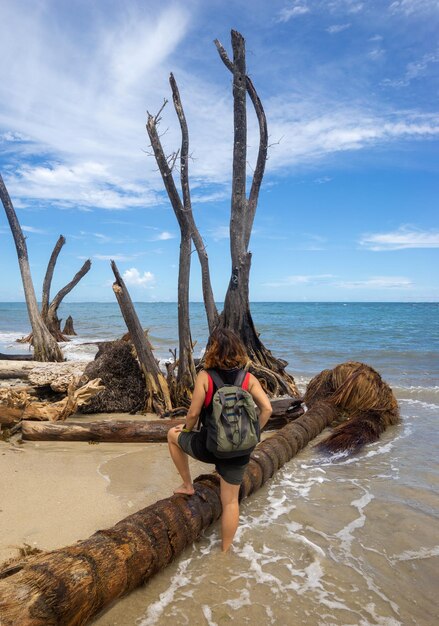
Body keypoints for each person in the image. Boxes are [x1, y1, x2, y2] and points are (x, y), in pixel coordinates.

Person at [167, 328, 272, 552]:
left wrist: (185, 430)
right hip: (241, 450)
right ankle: (225, 552)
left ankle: (187, 485)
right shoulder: (248, 378)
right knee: (231, 502)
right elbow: (267, 409)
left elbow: (193, 414)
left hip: (212, 447)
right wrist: (252, 434)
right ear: (237, 349)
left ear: (211, 349)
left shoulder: (205, 377)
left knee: (171, 436)